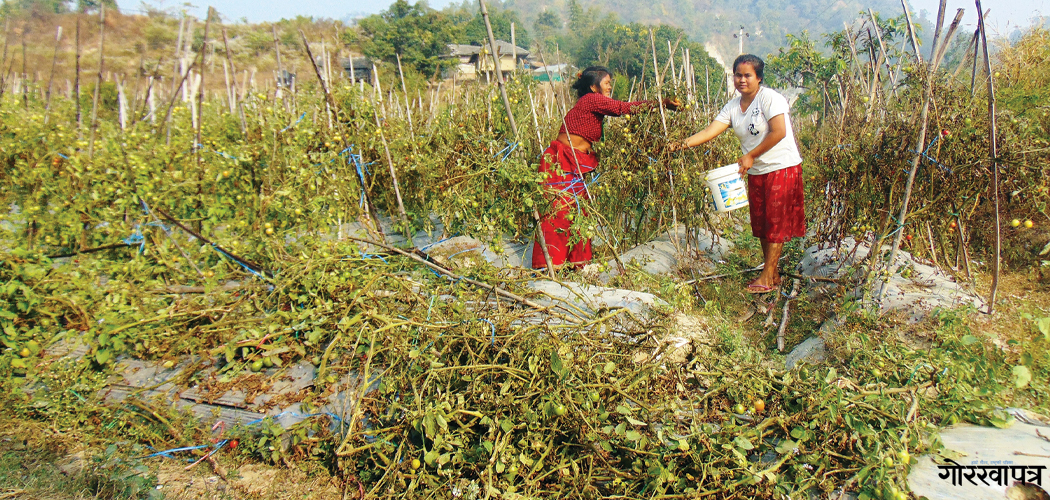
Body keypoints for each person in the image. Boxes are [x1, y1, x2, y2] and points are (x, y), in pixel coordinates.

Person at [671, 54, 805, 293]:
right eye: (738, 75)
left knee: (775, 222)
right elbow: (711, 130)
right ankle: (771, 273)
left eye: (747, 75)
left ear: (759, 77)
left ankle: (766, 275)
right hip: (757, 171)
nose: (742, 80)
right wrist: (680, 144)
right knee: (762, 223)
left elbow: (779, 132)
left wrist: (751, 155)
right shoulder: (733, 106)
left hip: (781, 166)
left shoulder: (770, 99)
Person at [532, 66, 679, 270]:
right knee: (559, 214)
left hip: (573, 162)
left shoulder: (591, 103)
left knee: (576, 213)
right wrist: (660, 103)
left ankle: (572, 264)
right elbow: (622, 109)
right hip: (562, 162)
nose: (610, 86)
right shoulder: (591, 99)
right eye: (607, 83)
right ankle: (551, 265)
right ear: (593, 87)